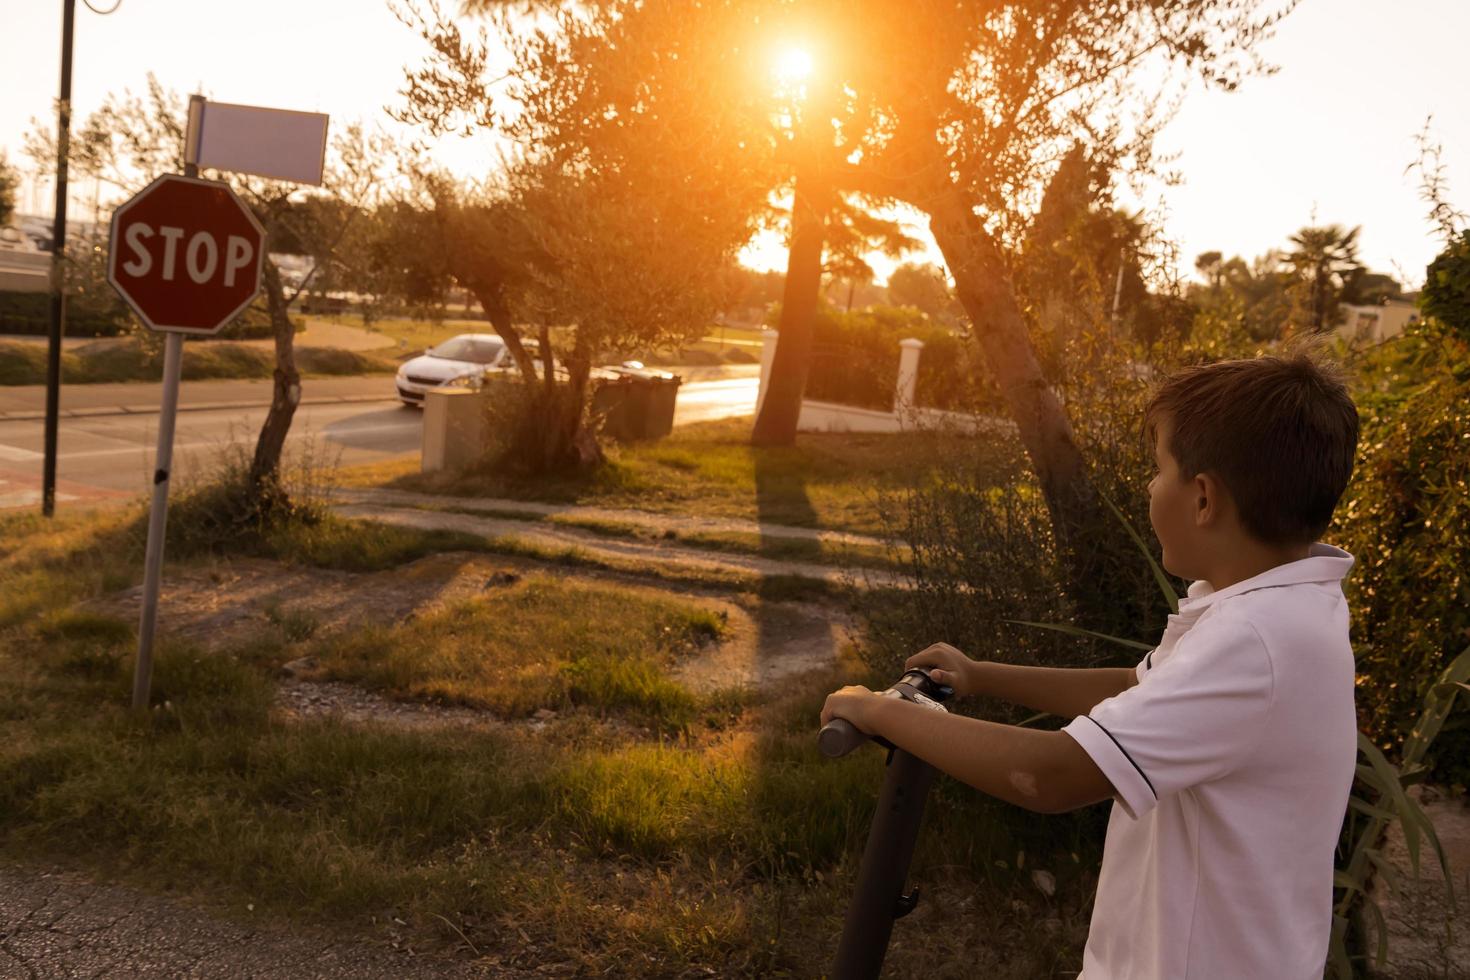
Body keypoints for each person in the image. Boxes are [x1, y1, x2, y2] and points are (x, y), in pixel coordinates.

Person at [821, 351, 1361, 979]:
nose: (1150, 487)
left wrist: (880, 710)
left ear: (1205, 497)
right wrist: (981, 674)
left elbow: (1049, 776)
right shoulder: (1284, 604)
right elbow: (1139, 686)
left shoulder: (1255, 638)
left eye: (1159, 470)